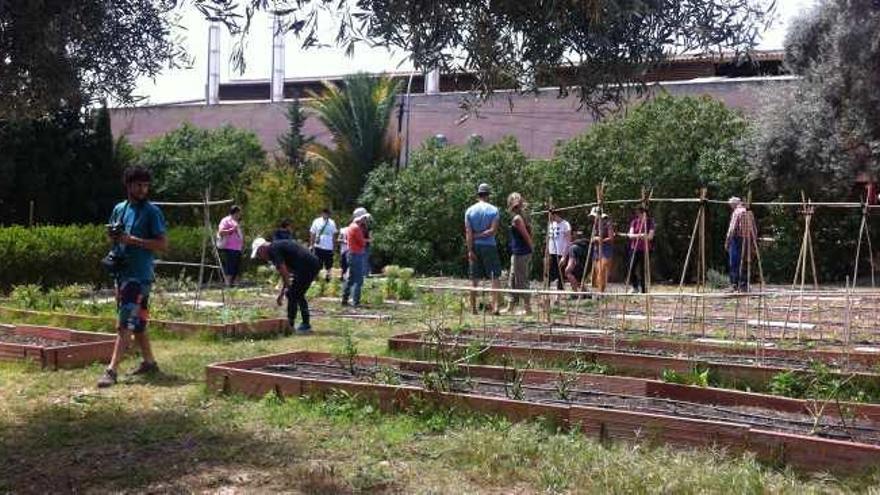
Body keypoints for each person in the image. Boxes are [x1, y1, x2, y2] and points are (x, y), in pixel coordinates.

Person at [97, 165, 168, 388]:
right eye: (139, 184)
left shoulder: (152, 212)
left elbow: (162, 244)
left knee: (125, 322)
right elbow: (114, 236)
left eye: (146, 185)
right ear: (128, 185)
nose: (143, 189)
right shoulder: (120, 208)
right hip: (122, 273)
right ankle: (149, 363)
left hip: (140, 275)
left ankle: (112, 370)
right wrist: (114, 238)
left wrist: (133, 240)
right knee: (138, 322)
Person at [251, 237, 320, 333]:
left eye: (259, 254)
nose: (261, 257)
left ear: (262, 248)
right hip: (310, 264)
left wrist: (287, 290)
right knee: (296, 293)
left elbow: (284, 272)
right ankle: (303, 323)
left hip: (307, 266)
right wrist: (282, 293)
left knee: (293, 294)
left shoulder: (273, 250)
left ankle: (290, 325)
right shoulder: (277, 247)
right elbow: (286, 273)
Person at [465, 183, 502, 314]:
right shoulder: (494, 210)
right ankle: (495, 307)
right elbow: (492, 231)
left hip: (475, 247)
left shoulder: (469, 211)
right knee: (494, 277)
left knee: (474, 278)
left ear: (478, 195)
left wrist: (470, 250)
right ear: (488, 195)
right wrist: (481, 235)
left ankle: (473, 308)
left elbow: (468, 233)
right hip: (489, 246)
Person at [505, 192, 533, 314]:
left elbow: (526, 236)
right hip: (517, 252)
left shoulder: (517, 219)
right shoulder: (521, 216)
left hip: (521, 252)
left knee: (521, 279)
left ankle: (527, 308)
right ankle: (510, 306)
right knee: (512, 278)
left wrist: (532, 248)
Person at [725, 196, 757, 292]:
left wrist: (727, 241)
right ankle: (743, 285)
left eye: (731, 205)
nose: (731, 207)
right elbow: (754, 229)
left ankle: (734, 284)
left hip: (737, 239)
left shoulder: (737, 212)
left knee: (734, 262)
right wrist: (753, 242)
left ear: (734, 204)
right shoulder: (749, 212)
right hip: (748, 239)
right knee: (745, 262)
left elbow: (732, 229)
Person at [342, 210, 370, 306]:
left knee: (350, 278)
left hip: (351, 254)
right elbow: (361, 243)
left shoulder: (351, 226)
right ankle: (355, 302)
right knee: (359, 279)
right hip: (356, 255)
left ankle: (344, 299)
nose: (365, 220)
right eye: (363, 218)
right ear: (360, 218)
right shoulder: (356, 228)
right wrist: (367, 240)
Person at [626, 205, 655, 294]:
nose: (639, 214)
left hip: (645, 249)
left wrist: (643, 236)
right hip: (634, 248)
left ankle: (643, 290)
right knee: (631, 268)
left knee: (643, 270)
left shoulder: (650, 222)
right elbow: (630, 235)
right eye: (638, 212)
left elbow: (650, 237)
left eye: (641, 212)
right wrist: (640, 235)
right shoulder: (634, 222)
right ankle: (635, 286)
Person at [588, 206, 615, 293]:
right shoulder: (594, 225)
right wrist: (595, 239)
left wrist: (601, 240)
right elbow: (592, 237)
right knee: (597, 271)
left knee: (602, 270)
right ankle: (598, 290)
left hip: (605, 249)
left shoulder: (607, 223)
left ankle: (601, 292)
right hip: (597, 249)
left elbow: (611, 238)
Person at [216, 205, 244, 286]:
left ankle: (234, 283)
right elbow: (221, 232)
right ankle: (227, 283)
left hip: (237, 248)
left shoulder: (236, 221)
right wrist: (232, 230)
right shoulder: (226, 220)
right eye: (239, 213)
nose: (240, 215)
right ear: (235, 213)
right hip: (229, 247)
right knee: (230, 265)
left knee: (237, 267)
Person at [309, 208, 338, 282]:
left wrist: (334, 247)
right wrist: (311, 244)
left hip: (329, 247)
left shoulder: (332, 222)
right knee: (317, 263)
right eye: (324, 213)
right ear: (322, 213)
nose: (326, 214)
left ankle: (328, 277)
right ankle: (316, 277)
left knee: (329, 264)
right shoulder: (316, 221)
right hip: (318, 246)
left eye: (327, 213)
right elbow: (312, 233)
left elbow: (334, 235)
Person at [547, 209, 571, 292]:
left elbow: (568, 241)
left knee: (560, 275)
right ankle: (547, 296)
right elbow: (549, 239)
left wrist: (564, 256)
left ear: (555, 215)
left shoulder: (565, 224)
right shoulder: (551, 224)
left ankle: (558, 296)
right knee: (548, 275)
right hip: (551, 253)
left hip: (560, 253)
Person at [352, 206, 373, 277]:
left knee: (365, 260)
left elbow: (370, 238)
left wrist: (366, 240)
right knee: (361, 260)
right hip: (359, 246)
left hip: (365, 246)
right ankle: (362, 274)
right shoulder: (356, 226)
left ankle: (365, 274)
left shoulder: (367, 225)